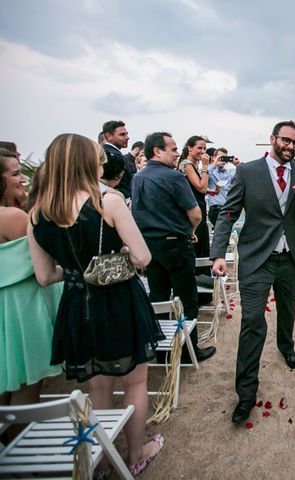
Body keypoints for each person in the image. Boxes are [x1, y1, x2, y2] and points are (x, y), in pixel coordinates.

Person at [28, 134, 165, 475]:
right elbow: (143, 257)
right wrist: (107, 265)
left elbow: (45, 276)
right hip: (118, 301)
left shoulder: (37, 214)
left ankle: (102, 459)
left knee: (98, 385)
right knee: (134, 383)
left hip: (77, 306)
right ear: (87, 162)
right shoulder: (109, 201)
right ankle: (134, 455)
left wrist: (79, 271)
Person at [210, 120, 295, 423]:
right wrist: (218, 253)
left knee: (287, 309)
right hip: (257, 259)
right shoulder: (248, 172)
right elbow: (228, 212)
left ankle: (286, 346)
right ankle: (245, 394)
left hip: (290, 257)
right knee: (253, 320)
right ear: (272, 139)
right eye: (286, 140)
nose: (290, 146)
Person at [131, 132, 215, 363]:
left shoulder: (138, 178)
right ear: (157, 151)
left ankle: (162, 351)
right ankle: (189, 352)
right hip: (175, 245)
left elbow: (135, 214)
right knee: (187, 298)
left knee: (158, 298)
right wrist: (189, 231)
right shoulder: (174, 177)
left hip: (149, 247)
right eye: (174, 149)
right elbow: (196, 214)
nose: (178, 153)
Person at [1, 150, 62, 406]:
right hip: (22, 308)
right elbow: (49, 258)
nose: (22, 178)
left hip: (6, 308)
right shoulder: (13, 217)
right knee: (28, 386)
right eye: (15, 174)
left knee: (7, 383)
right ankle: (22, 442)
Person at [178, 136, 211, 268]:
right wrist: (205, 166)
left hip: (199, 206)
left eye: (204, 148)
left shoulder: (191, 165)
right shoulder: (187, 165)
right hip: (194, 210)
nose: (203, 151)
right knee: (199, 245)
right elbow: (201, 188)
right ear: (190, 148)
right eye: (199, 148)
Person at [207, 147, 238, 230]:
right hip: (215, 208)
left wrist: (237, 165)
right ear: (214, 158)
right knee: (221, 233)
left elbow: (240, 180)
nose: (223, 160)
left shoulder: (229, 173)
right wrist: (215, 164)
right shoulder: (210, 170)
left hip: (227, 208)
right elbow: (204, 177)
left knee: (225, 234)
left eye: (225, 158)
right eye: (221, 158)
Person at [102, 120, 132, 199]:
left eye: (127, 134)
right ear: (109, 136)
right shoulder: (113, 155)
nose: (127, 137)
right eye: (122, 134)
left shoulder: (105, 152)